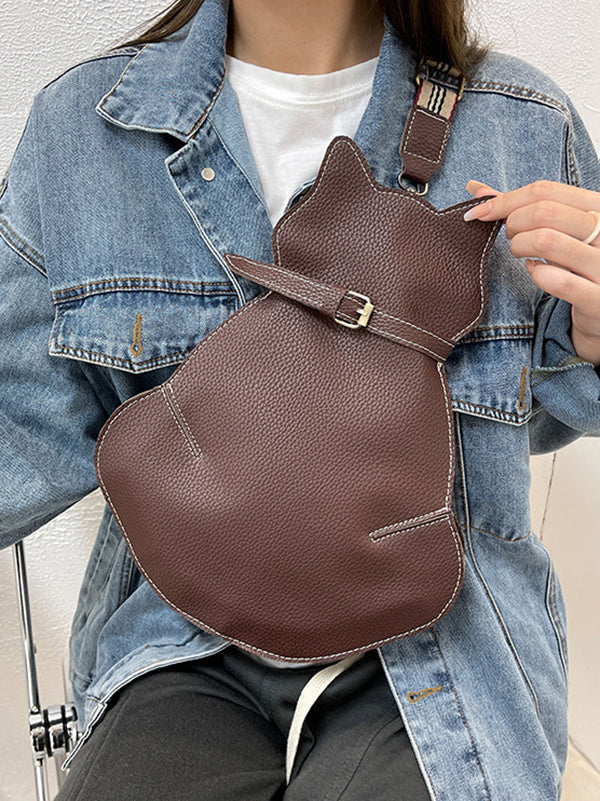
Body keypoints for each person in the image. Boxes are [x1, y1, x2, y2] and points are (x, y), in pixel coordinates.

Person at [1, 0, 599, 798]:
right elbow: (23, 427)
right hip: (181, 630)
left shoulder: (522, 124)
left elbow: (545, 409)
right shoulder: (86, 130)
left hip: (448, 648)